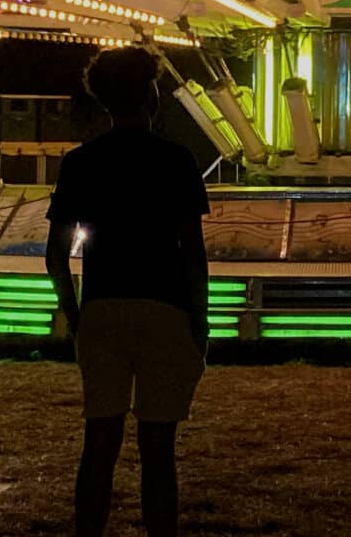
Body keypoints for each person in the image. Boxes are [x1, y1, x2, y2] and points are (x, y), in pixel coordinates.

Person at [44, 47, 210, 537]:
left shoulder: (80, 163)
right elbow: (193, 253)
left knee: (99, 443)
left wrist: (75, 314)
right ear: (151, 93)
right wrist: (200, 319)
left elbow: (56, 254)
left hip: (102, 310)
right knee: (158, 451)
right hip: (165, 308)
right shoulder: (177, 161)